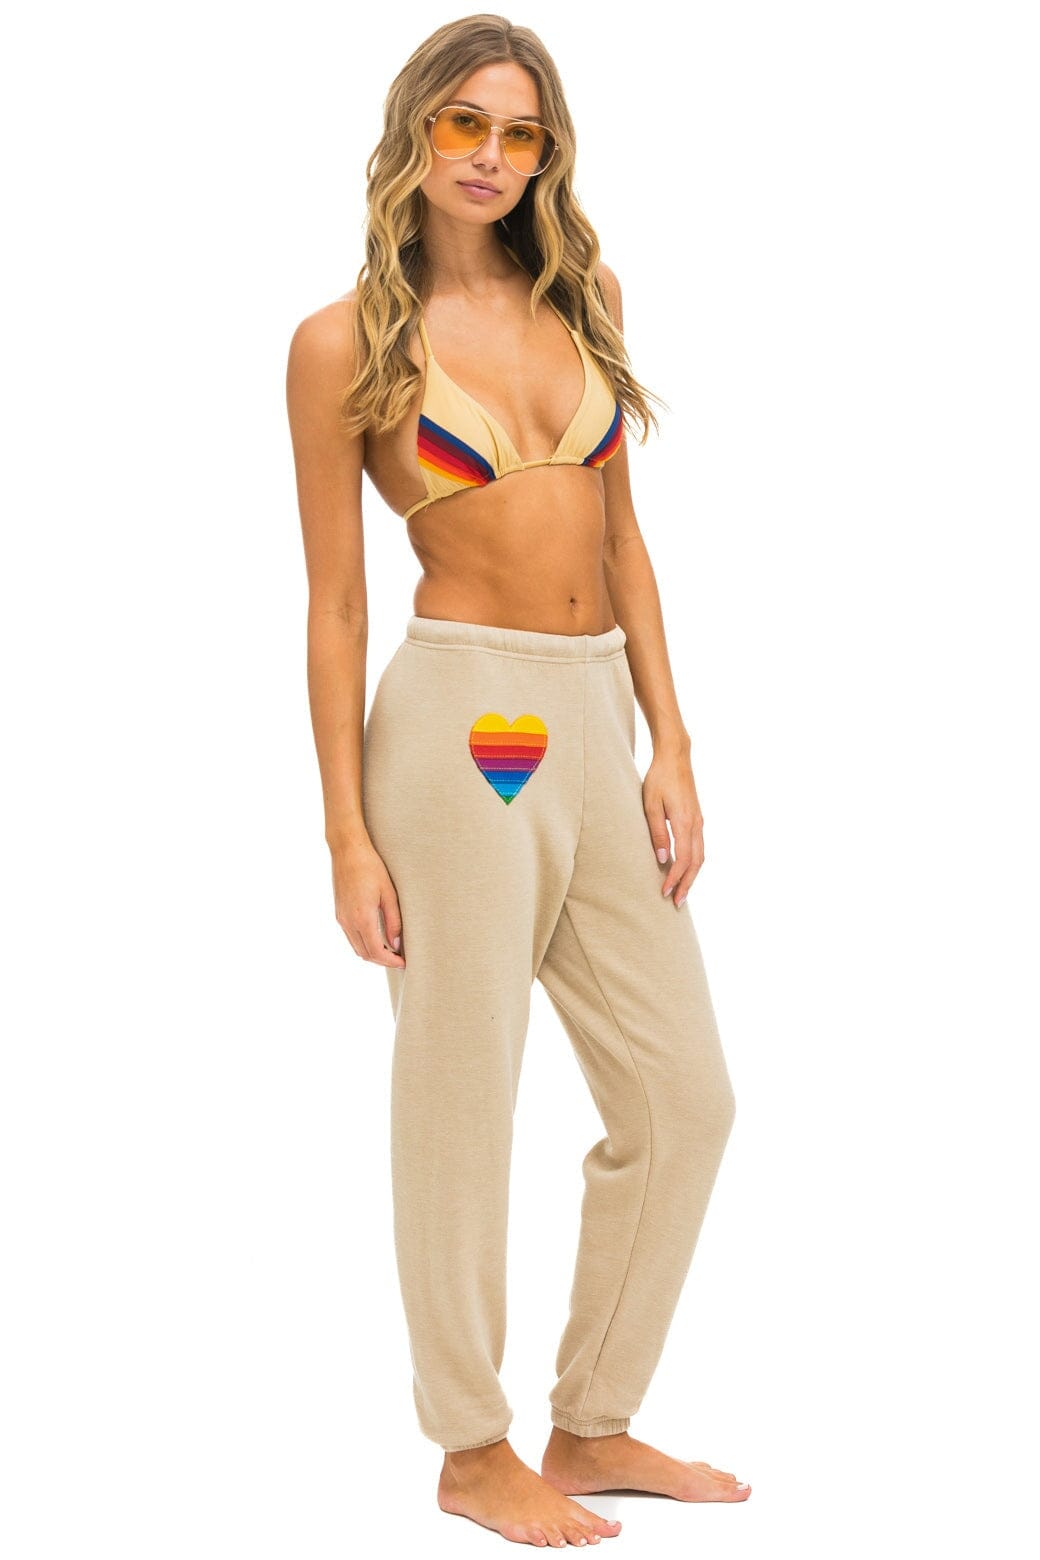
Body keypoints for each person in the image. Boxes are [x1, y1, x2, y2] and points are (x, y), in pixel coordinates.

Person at [285, 13, 749, 1547]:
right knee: (461, 1096)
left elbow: (625, 540)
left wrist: (671, 741)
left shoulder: (586, 298)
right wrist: (345, 835)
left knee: (683, 1095)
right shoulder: (344, 343)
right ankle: (471, 1448)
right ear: (414, 131)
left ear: (548, 153)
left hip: (594, 716)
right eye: (465, 124)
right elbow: (337, 605)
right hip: (456, 727)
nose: (491, 156)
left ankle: (592, 1421)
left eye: (520, 132)